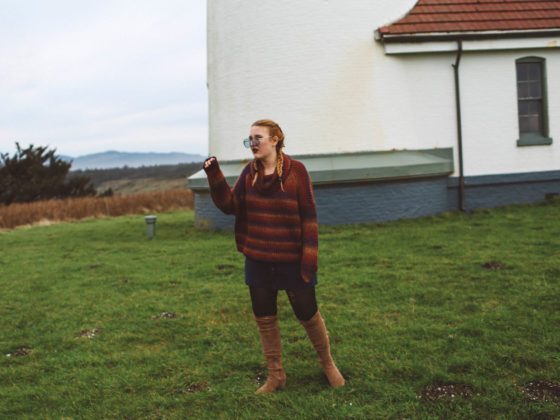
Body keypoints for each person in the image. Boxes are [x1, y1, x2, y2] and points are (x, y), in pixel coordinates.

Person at [203, 119, 344, 394]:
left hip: (293, 259)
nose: (253, 144)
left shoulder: (297, 172)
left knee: (308, 313)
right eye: (249, 139)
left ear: (276, 139)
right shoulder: (249, 174)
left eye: (258, 138)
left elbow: (309, 218)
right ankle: (276, 376)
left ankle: (327, 364)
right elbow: (230, 206)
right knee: (264, 317)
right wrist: (215, 176)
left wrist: (309, 259)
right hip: (258, 259)